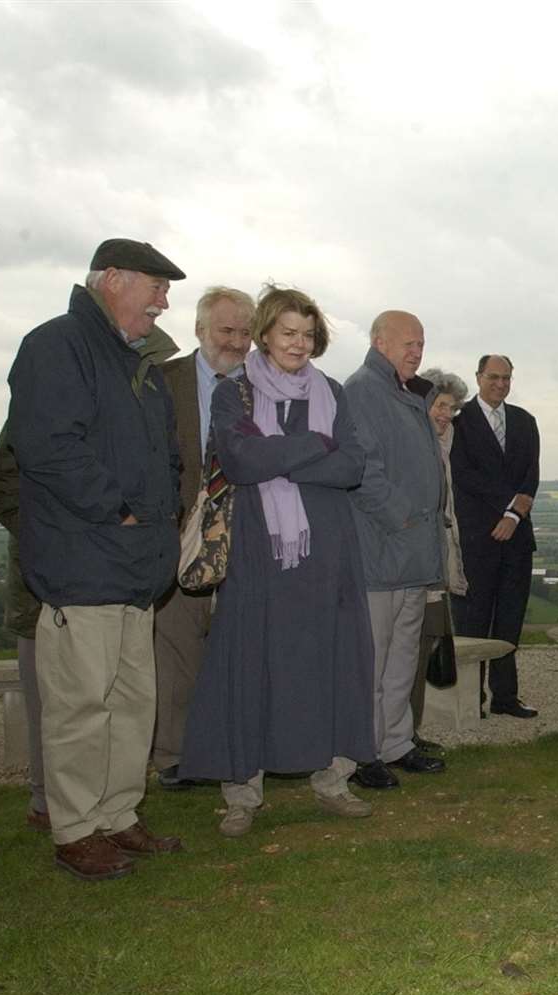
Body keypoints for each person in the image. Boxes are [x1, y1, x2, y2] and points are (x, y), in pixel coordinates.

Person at [10, 238, 187, 880]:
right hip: (86, 561)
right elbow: (48, 447)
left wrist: (160, 514)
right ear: (111, 279)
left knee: (133, 700)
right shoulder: (56, 344)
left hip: (135, 568)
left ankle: (117, 815)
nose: (164, 301)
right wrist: (121, 510)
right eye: (155, 286)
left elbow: (165, 455)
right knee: (82, 704)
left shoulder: (133, 360)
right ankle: (76, 829)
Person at [179, 286, 376, 837]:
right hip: (258, 555)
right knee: (250, 665)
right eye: (288, 332)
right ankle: (242, 794)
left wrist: (283, 458)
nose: (299, 343)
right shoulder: (234, 395)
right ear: (265, 333)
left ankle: (333, 781)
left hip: (328, 554)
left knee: (330, 663)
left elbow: (352, 467)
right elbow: (241, 462)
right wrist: (317, 443)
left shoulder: (332, 391)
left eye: (308, 335)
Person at [151, 285, 254, 790]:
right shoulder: (161, 381)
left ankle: (233, 747)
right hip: (180, 538)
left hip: (248, 539)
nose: (236, 342)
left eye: (244, 332)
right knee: (175, 651)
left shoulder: (266, 388)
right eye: (226, 330)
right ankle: (175, 754)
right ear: (199, 329)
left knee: (237, 651)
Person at [343, 310, 447, 787]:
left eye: (421, 344)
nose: (416, 351)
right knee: (373, 660)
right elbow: (363, 468)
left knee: (404, 656)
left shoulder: (408, 392)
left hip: (412, 554)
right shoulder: (363, 390)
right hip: (381, 550)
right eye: (408, 342)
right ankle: (362, 753)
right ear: (379, 341)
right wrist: (402, 516)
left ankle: (396, 743)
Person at [450, 354, 539, 719]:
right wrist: (508, 506)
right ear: (478, 377)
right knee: (473, 621)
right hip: (477, 537)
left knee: (509, 620)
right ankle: (471, 699)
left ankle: (505, 697)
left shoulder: (524, 421)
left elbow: (530, 476)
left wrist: (515, 516)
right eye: (493, 377)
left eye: (506, 378)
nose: (500, 384)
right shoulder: (460, 421)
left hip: (517, 538)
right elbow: (463, 475)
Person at [0, 425, 49, 833]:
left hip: (102, 577)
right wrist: (43, 532)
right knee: (45, 704)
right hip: (38, 589)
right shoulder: (35, 398)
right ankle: (44, 801)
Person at [409, 367, 470, 739]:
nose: (446, 414)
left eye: (452, 408)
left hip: (435, 565)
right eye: (441, 405)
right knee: (408, 652)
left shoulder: (443, 447)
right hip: (413, 565)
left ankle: (408, 733)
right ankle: (399, 735)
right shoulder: (416, 446)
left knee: (423, 647)